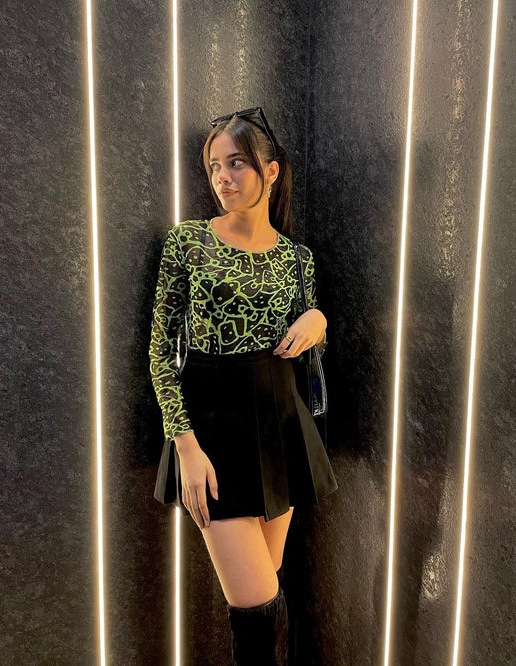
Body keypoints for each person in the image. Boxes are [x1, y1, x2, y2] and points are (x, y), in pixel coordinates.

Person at [149, 107, 338, 665]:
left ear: (271, 171)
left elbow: (309, 348)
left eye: (236, 163)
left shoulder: (296, 259)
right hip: (213, 430)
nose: (222, 178)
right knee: (255, 609)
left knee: (267, 598)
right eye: (214, 166)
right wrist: (186, 447)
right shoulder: (187, 242)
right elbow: (160, 351)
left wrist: (318, 320)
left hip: (280, 426)